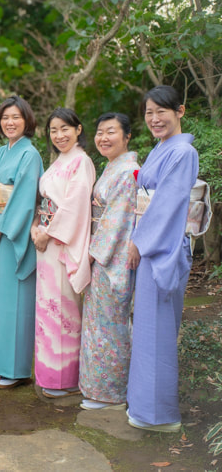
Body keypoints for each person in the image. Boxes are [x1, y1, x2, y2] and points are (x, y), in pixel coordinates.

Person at [127, 85, 198, 432]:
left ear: (180, 111)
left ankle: (160, 415)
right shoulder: (161, 148)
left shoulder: (183, 153)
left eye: (162, 112)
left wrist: (139, 242)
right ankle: (143, 407)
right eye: (149, 113)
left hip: (162, 247)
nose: (154, 119)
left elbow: (168, 204)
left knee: (157, 328)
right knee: (146, 328)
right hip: (150, 243)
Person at [31, 108, 95, 398]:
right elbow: (45, 201)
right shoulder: (58, 161)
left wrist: (48, 232)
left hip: (59, 242)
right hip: (45, 240)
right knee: (47, 310)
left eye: (65, 129)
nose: (59, 135)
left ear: (78, 129)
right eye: (54, 130)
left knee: (63, 309)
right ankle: (47, 374)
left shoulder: (81, 162)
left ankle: (65, 379)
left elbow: (75, 205)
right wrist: (36, 227)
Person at [79, 113, 138, 410]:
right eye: (100, 132)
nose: (103, 138)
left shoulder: (129, 172)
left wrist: (91, 253)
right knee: (96, 324)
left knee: (111, 325)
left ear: (127, 136)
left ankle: (112, 393)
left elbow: (116, 222)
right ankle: (97, 389)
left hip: (112, 256)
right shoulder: (111, 168)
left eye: (111, 132)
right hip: (101, 252)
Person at [0, 96, 43, 389]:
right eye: (6, 117)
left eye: (16, 117)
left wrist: (0, 229)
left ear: (27, 120)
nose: (10, 122)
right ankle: (2, 363)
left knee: (16, 301)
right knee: (0, 299)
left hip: (13, 234)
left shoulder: (30, 155)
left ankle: (17, 369)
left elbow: (24, 199)